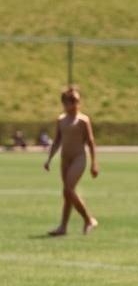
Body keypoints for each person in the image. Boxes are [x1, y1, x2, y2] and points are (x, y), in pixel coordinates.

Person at [43, 85, 99, 235]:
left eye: (77, 100)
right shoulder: (61, 120)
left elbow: (91, 142)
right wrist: (49, 159)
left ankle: (88, 219)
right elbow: (57, 140)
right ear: (64, 102)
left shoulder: (83, 120)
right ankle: (63, 227)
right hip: (65, 158)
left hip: (79, 157)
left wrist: (94, 163)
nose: (75, 104)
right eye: (72, 100)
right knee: (67, 193)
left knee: (69, 188)